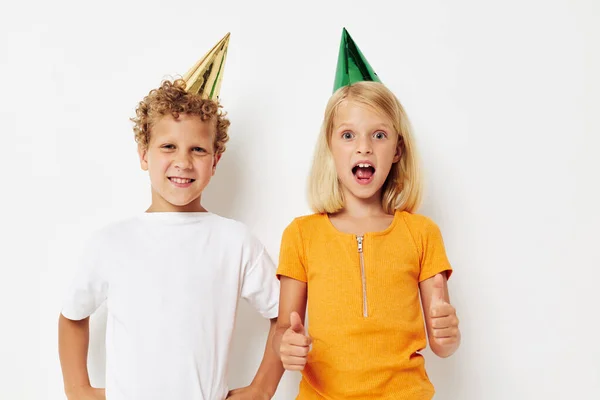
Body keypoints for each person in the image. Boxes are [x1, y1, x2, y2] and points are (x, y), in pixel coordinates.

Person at [58, 33, 283, 400]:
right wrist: (78, 390)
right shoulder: (111, 242)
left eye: (198, 149)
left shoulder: (234, 242)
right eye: (168, 147)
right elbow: (72, 315)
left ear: (215, 161)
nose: (182, 162)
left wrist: (261, 389)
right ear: (144, 154)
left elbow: (283, 314)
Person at [274, 28, 461, 399]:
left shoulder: (421, 233)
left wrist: (448, 332)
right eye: (348, 135)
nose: (363, 147)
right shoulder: (300, 235)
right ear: (330, 147)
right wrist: (288, 346)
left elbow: (443, 345)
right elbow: (284, 327)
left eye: (378, 135)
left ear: (396, 150)